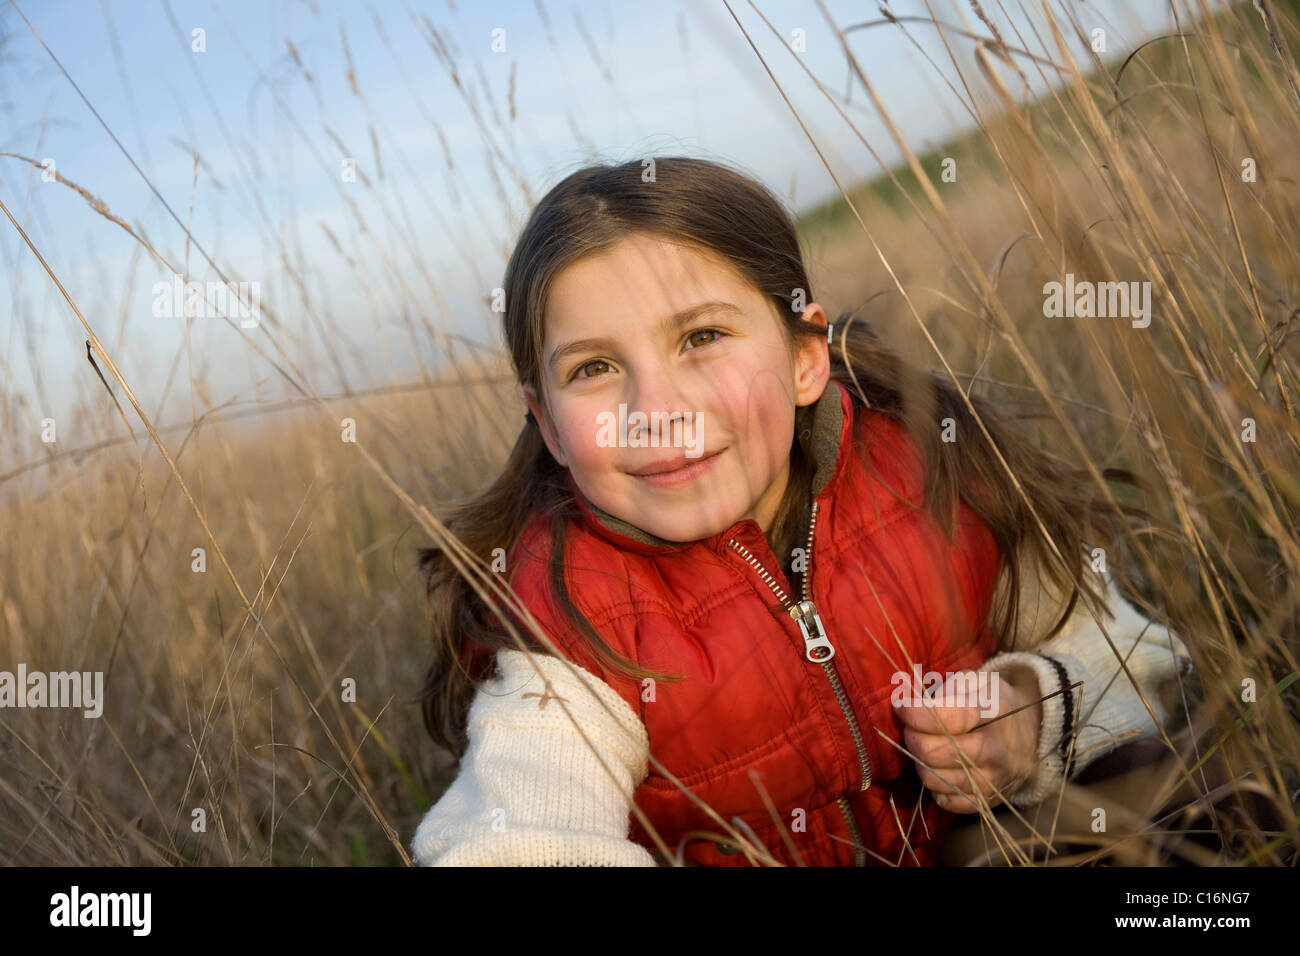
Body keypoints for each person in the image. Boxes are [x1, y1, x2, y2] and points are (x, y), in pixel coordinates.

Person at [411, 156, 1194, 866]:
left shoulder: (929, 468)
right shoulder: (568, 619)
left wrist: (1029, 712)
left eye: (702, 336)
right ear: (546, 422)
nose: (656, 410)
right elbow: (511, 840)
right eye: (594, 367)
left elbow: (1131, 652)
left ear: (802, 359)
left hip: (985, 845)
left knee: (1176, 792)